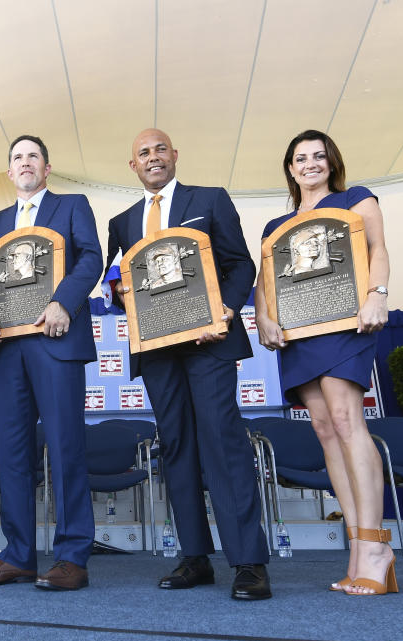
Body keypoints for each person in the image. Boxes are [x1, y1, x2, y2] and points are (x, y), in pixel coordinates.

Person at [104, 128, 271, 600]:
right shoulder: (122, 221)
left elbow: (240, 265)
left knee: (222, 441)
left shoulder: (210, 199)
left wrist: (229, 310)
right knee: (175, 446)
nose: (153, 157)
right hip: (157, 349)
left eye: (160, 149)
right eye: (143, 153)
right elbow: (114, 278)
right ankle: (194, 557)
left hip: (209, 340)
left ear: (175, 155)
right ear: (132, 165)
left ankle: (248, 561)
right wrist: (115, 291)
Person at [0, 135, 102, 591]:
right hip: (7, 348)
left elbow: (92, 258)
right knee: (12, 454)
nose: (25, 163)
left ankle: (72, 556)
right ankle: (17, 555)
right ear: (9, 171)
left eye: (33, 156)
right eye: (17, 157)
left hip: (55, 339)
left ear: (46, 167)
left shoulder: (72, 204)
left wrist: (63, 301)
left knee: (65, 449)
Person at [255, 129, 391, 595]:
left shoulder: (356, 198)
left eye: (318, 156)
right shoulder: (276, 226)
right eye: (300, 158)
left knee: (346, 420)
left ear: (331, 162)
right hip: (298, 333)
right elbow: (264, 280)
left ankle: (376, 545)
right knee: (325, 429)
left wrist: (377, 295)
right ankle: (357, 546)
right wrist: (264, 318)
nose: (310, 163)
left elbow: (377, 249)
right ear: (290, 168)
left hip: (346, 322)